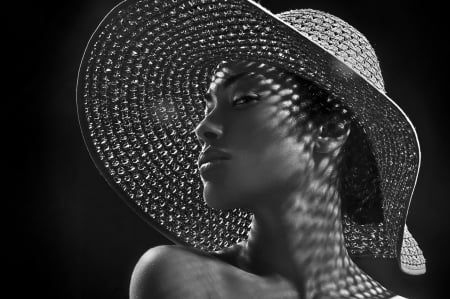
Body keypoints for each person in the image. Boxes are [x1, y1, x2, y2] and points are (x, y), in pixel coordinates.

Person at [76, 0, 426, 298]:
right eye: (209, 105)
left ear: (330, 129)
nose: (204, 127)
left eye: (243, 99)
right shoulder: (184, 278)